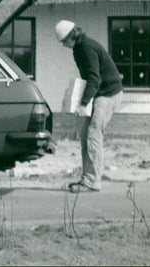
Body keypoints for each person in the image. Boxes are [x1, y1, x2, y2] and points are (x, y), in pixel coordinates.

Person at [55, 20, 124, 193]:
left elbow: (94, 79)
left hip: (109, 94)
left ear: (72, 36)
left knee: (94, 134)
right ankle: (87, 178)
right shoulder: (78, 49)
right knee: (85, 133)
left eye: (64, 41)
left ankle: (92, 182)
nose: (63, 45)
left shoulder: (87, 48)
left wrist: (83, 104)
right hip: (100, 92)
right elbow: (89, 79)